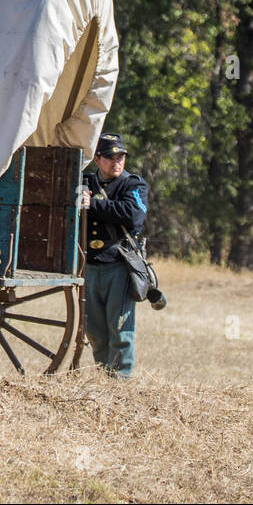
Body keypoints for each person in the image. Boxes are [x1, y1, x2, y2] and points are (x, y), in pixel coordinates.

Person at [81, 132, 149, 377]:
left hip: (119, 265)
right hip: (89, 263)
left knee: (120, 329)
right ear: (97, 159)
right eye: (110, 157)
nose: (117, 162)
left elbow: (134, 215)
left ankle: (119, 381)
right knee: (95, 330)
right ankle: (104, 375)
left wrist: (95, 205)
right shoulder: (85, 182)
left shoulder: (133, 184)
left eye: (120, 157)